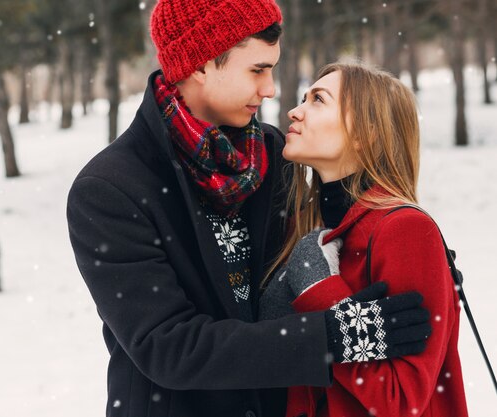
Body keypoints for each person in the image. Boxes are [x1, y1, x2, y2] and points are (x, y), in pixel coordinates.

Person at [66, 2, 432, 416]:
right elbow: (169, 347)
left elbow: (320, 243)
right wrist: (331, 337)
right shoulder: (111, 189)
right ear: (201, 64)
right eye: (257, 70)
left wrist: (394, 244)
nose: (271, 88)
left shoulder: (272, 154)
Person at [260, 62, 469, 417]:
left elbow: (403, 400)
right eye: (303, 99)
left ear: (366, 133)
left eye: (318, 100)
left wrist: (319, 292)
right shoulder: (304, 228)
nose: (295, 111)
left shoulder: (405, 230)